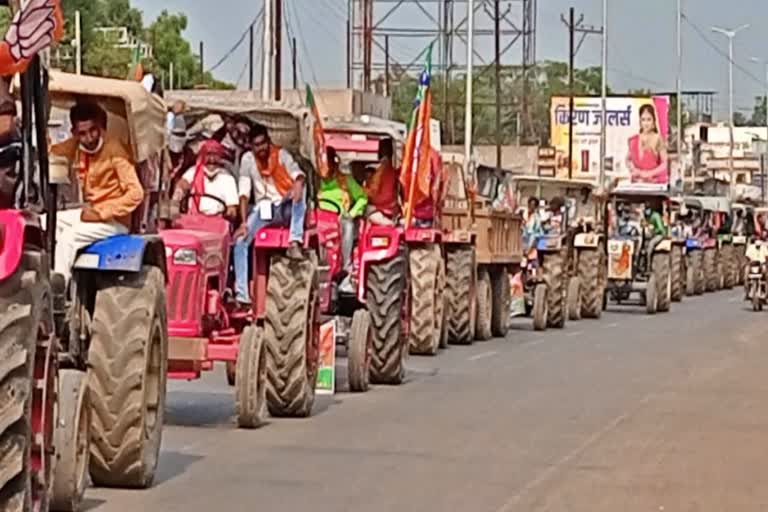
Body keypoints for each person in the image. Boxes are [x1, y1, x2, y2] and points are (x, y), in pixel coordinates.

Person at [49, 101, 144, 283]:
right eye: (82, 133)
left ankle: (58, 297)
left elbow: (136, 193)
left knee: (69, 237)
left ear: (101, 127)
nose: (89, 138)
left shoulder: (115, 150)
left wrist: (102, 212)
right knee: (45, 222)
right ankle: (56, 276)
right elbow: (52, 153)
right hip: (89, 214)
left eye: (93, 130)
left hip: (114, 221)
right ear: (75, 133)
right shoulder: (76, 145)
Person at [234, 123, 306, 305]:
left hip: (285, 206)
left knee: (300, 192)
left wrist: (298, 183)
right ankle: (242, 293)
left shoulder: (281, 155)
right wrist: (243, 223)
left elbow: (297, 173)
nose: (261, 148)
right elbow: (244, 192)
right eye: (257, 145)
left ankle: (295, 240)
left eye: (264, 143)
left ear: (268, 142)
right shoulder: (248, 160)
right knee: (241, 241)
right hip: (265, 210)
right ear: (252, 146)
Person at [318, 147, 368, 273]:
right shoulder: (316, 181)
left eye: (328, 162)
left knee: (348, 226)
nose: (326, 165)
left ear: (334, 162)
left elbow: (362, 198)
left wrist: (351, 214)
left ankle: (346, 265)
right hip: (319, 218)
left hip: (339, 217)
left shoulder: (346, 180)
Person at [172, 139, 238, 218]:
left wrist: (230, 213)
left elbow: (232, 207)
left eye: (215, 155)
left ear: (220, 156)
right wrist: (180, 190)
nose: (212, 159)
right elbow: (182, 184)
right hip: (192, 219)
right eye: (208, 154)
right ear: (203, 155)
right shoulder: (193, 172)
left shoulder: (228, 178)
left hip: (217, 222)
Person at [627, 103, 668, 184]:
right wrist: (633, 169)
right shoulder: (633, 140)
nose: (646, 123)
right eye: (643, 119)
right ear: (640, 121)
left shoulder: (657, 138)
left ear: (653, 121)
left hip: (653, 183)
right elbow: (628, 159)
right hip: (637, 183)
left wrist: (648, 174)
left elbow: (665, 163)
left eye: (649, 119)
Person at [364, 137, 398, 225]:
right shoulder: (394, 171)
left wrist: (363, 189)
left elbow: (372, 192)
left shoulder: (380, 172)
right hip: (393, 209)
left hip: (379, 209)